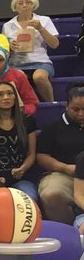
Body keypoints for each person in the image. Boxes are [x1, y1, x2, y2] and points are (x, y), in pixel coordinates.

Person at [0, 82, 38, 200]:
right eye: (0, 94)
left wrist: (23, 168)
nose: (6, 97)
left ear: (15, 97)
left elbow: (31, 153)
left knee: (30, 198)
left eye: (10, 93)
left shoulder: (27, 121)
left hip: (21, 178)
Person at [36, 83, 84, 223]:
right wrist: (65, 168)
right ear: (67, 106)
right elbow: (42, 156)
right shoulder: (53, 127)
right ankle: (70, 231)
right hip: (63, 174)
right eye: (75, 109)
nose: (80, 114)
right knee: (51, 195)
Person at [3, 0, 58, 103]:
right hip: (17, 63)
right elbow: (4, 51)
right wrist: (10, 47)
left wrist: (41, 29)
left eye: (28, 2)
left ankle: (51, 104)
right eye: (20, 3)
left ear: (33, 5)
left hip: (40, 61)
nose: (24, 5)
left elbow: (54, 44)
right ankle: (31, 105)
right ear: (15, 6)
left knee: (39, 77)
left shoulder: (44, 20)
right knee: (19, 76)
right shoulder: (7, 26)